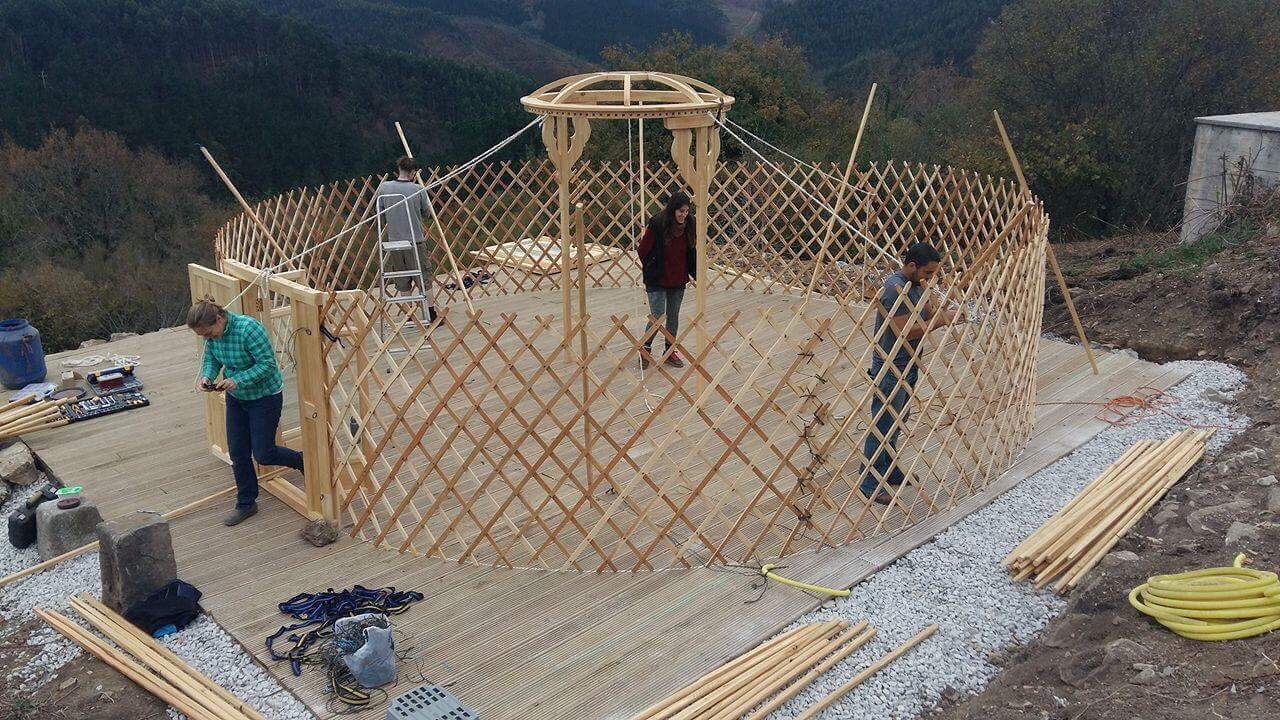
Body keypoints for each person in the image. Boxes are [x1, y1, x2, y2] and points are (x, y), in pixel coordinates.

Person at [859, 242, 965, 505]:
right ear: (912, 265)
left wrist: (945, 311)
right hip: (890, 364)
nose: (931, 278)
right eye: (928, 272)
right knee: (883, 423)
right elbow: (906, 331)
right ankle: (870, 481)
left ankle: (889, 468)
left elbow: (927, 313)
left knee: (898, 419)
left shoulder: (917, 285)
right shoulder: (893, 289)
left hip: (909, 362)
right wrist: (941, 320)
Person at [189, 299, 304, 526]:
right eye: (204, 336)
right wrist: (207, 376)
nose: (208, 339)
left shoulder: (249, 329)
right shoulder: (211, 337)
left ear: (219, 319)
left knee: (264, 453)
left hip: (265, 396)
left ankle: (301, 461)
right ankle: (246, 503)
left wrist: (237, 380)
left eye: (209, 333)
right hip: (237, 397)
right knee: (238, 453)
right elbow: (211, 359)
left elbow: (268, 365)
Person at [637, 191, 697, 368]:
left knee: (673, 316)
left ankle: (670, 351)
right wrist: (652, 266)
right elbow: (643, 250)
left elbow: (691, 249)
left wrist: (695, 273)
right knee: (657, 315)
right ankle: (645, 350)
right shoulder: (658, 223)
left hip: (678, 277)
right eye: (680, 211)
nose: (683, 215)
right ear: (673, 209)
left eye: (686, 211)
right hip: (657, 277)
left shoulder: (689, 224)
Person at [374, 156, 438, 323]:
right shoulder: (417, 189)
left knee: (402, 279)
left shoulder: (384, 187)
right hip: (415, 241)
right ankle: (431, 313)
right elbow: (427, 213)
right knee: (424, 278)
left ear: (399, 169)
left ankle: (409, 315)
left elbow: (380, 212)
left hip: (394, 243)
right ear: (413, 172)